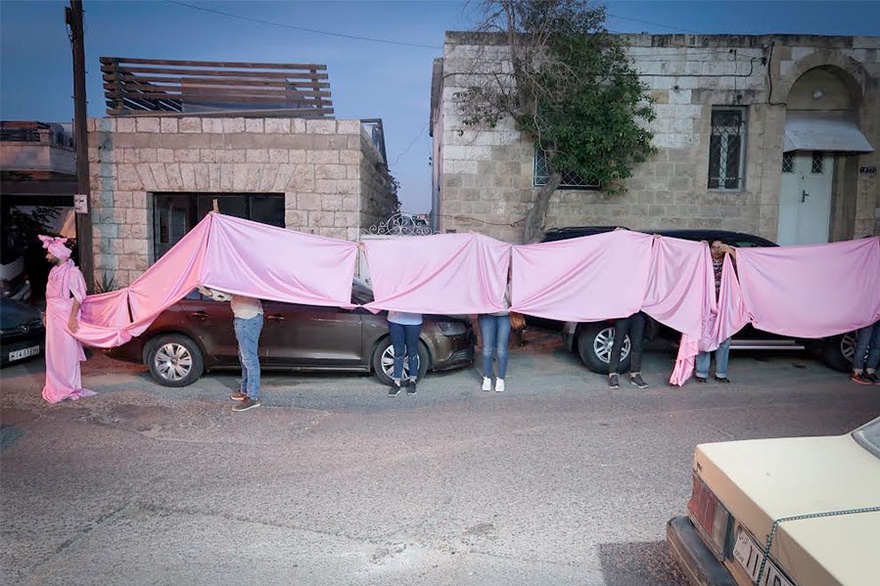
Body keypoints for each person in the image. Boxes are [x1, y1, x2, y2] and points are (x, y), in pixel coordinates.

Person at [39, 235, 95, 403]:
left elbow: (79, 297)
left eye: (49, 253)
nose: (47, 256)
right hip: (53, 314)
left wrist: (72, 319)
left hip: (65, 315)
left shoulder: (73, 272)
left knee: (67, 352)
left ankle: (70, 387)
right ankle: (57, 386)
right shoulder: (54, 271)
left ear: (58, 253)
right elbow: (50, 296)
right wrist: (45, 314)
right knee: (54, 352)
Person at [198, 286, 264, 411]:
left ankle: (252, 397)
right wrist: (211, 293)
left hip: (248, 319)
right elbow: (229, 295)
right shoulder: (238, 277)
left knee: (249, 359)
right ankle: (245, 391)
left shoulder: (244, 277)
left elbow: (236, 292)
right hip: (245, 318)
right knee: (244, 357)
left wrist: (212, 292)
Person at [695, 239, 736, 383]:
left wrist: (730, 251)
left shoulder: (729, 262)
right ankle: (701, 373)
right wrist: (699, 248)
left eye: (720, 247)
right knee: (704, 338)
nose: (716, 250)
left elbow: (744, 266)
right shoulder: (703, 261)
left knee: (724, 339)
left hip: (724, 306)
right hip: (705, 306)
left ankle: (721, 373)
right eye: (713, 247)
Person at [478, 282, 512, 393]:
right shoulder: (485, 274)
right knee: (487, 349)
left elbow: (512, 300)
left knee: (502, 349)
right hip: (486, 315)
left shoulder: (508, 280)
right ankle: (487, 377)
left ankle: (500, 379)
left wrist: (508, 283)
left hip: (504, 316)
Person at [607, 312, 648, 389]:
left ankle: (635, 374)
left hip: (637, 314)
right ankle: (613, 374)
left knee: (637, 345)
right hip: (623, 314)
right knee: (618, 344)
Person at [386, 310, 422, 396]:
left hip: (414, 320)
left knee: (412, 351)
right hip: (395, 319)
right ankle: (396, 383)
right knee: (398, 352)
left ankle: (412, 381)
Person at [851, 320, 880, 384]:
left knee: (877, 346)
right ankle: (857, 372)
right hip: (869, 317)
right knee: (862, 345)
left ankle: (870, 372)